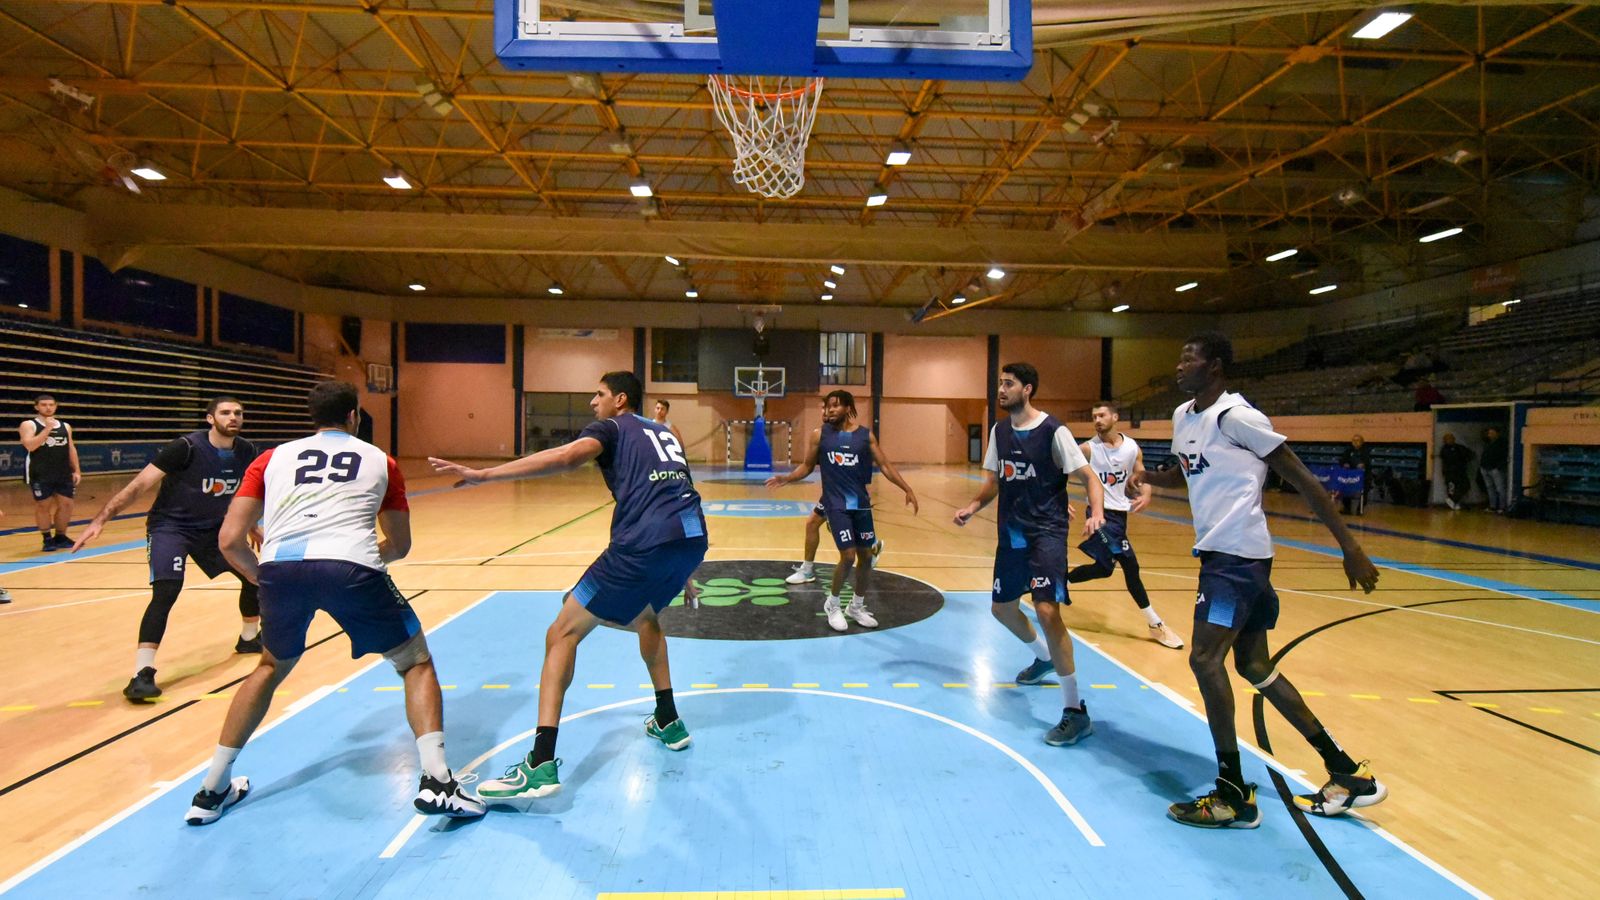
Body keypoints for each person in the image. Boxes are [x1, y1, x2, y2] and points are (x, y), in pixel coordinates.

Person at [183, 381, 483, 825]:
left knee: (268, 666)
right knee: (415, 662)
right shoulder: (381, 460)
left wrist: (264, 577)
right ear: (353, 417)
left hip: (281, 570)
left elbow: (229, 540)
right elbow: (399, 545)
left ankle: (211, 791)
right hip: (352, 568)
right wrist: (354, 562)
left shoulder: (270, 458)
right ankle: (438, 782)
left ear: (313, 417)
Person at [1130, 332, 1385, 829]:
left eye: (1190, 357)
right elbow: (1189, 471)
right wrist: (1148, 479)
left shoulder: (1239, 417)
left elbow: (1304, 480)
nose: (1180, 365)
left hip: (1238, 561)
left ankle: (1232, 795)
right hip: (1228, 561)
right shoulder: (1185, 416)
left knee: (1205, 659)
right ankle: (1346, 772)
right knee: (1253, 664)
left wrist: (1350, 547)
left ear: (1217, 367)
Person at [430, 371, 707, 801]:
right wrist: (683, 568)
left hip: (643, 543)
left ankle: (540, 764)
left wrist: (485, 476)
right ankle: (668, 718)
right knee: (644, 615)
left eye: (598, 395)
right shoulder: (664, 431)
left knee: (562, 630)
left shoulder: (613, 427)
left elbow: (566, 457)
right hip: (691, 537)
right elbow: (681, 488)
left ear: (620, 399)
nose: (592, 403)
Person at [954, 362, 1105, 746]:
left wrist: (1096, 512)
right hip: (1012, 535)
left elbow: (1089, 477)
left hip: (1047, 533)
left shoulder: (1055, 431)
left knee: (1046, 609)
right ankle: (1044, 657)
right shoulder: (1000, 431)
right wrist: (973, 507)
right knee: (1002, 609)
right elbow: (994, 481)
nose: (1001, 390)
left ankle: (1075, 711)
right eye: (1000, 383)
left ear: (1028, 389)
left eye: (1008, 384)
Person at [73, 397, 264, 702]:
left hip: (214, 529)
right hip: (171, 528)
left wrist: (251, 523)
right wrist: (101, 519)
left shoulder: (246, 450)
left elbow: (245, 489)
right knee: (166, 592)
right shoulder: (185, 448)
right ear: (210, 419)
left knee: (253, 576)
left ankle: (249, 638)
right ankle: (142, 674)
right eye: (225, 412)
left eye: (239, 413)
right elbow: (139, 485)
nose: (233, 417)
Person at [766, 390, 917, 631]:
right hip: (835, 504)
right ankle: (832, 604)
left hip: (859, 502)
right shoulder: (820, 435)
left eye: (835, 406)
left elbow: (885, 466)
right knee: (848, 556)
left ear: (848, 407)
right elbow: (806, 466)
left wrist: (906, 488)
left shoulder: (866, 437)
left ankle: (856, 606)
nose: (830, 410)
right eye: (827, 407)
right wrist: (787, 478)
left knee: (866, 558)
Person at [1066, 401, 1183, 649]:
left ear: (1115, 417)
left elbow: (1142, 473)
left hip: (1120, 515)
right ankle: (1155, 624)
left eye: (1101, 415)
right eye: (1093, 416)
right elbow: (1059, 471)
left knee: (1104, 569)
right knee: (1131, 564)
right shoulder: (1087, 449)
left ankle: (1056, 581)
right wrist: (1060, 500)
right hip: (1099, 516)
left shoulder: (1131, 447)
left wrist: (1147, 493)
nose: (1097, 420)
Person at [784, 398, 885, 586]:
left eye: (829, 408)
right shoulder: (825, 433)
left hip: (846, 492)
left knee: (829, 527)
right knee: (812, 523)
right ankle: (808, 569)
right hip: (834, 491)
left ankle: (869, 551)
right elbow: (811, 465)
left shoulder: (853, 435)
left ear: (845, 409)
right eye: (824, 408)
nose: (825, 412)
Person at [18, 393, 80, 551]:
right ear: (36, 407)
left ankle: (61, 536)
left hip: (63, 472)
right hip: (40, 472)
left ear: (56, 406)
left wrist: (77, 470)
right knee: (43, 505)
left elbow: (71, 448)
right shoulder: (29, 424)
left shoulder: (65, 426)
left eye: (51, 405)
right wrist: (47, 429)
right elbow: (30, 445)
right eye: (44, 405)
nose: (48, 407)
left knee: (67, 504)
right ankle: (47, 538)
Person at [1438, 432, 1475, 510]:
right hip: (1450, 472)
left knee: (1465, 486)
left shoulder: (1460, 447)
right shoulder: (1444, 449)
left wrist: (1466, 459)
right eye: (1447, 439)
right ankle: (1453, 502)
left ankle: (1453, 500)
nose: (1449, 440)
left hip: (1461, 472)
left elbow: (1470, 454)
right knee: (1451, 489)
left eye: (1451, 438)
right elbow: (1450, 458)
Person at [1338, 434, 1372, 515]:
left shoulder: (1366, 451)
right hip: (1351, 475)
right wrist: (1345, 463)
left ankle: (1359, 509)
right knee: (1346, 488)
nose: (1356, 442)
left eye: (1358, 441)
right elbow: (1342, 460)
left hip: (1363, 475)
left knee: (1364, 490)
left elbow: (1367, 463)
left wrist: (1362, 464)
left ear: (1362, 442)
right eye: (1354, 441)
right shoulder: (1348, 451)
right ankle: (1347, 508)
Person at [1479, 426, 1509, 513]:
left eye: (1492, 433)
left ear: (1497, 433)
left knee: (1500, 488)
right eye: (1489, 433)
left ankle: (1502, 507)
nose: (1490, 435)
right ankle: (1493, 506)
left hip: (1495, 469)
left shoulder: (1502, 443)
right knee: (1490, 488)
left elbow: (1504, 455)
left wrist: (1498, 467)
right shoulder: (1487, 443)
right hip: (1485, 468)